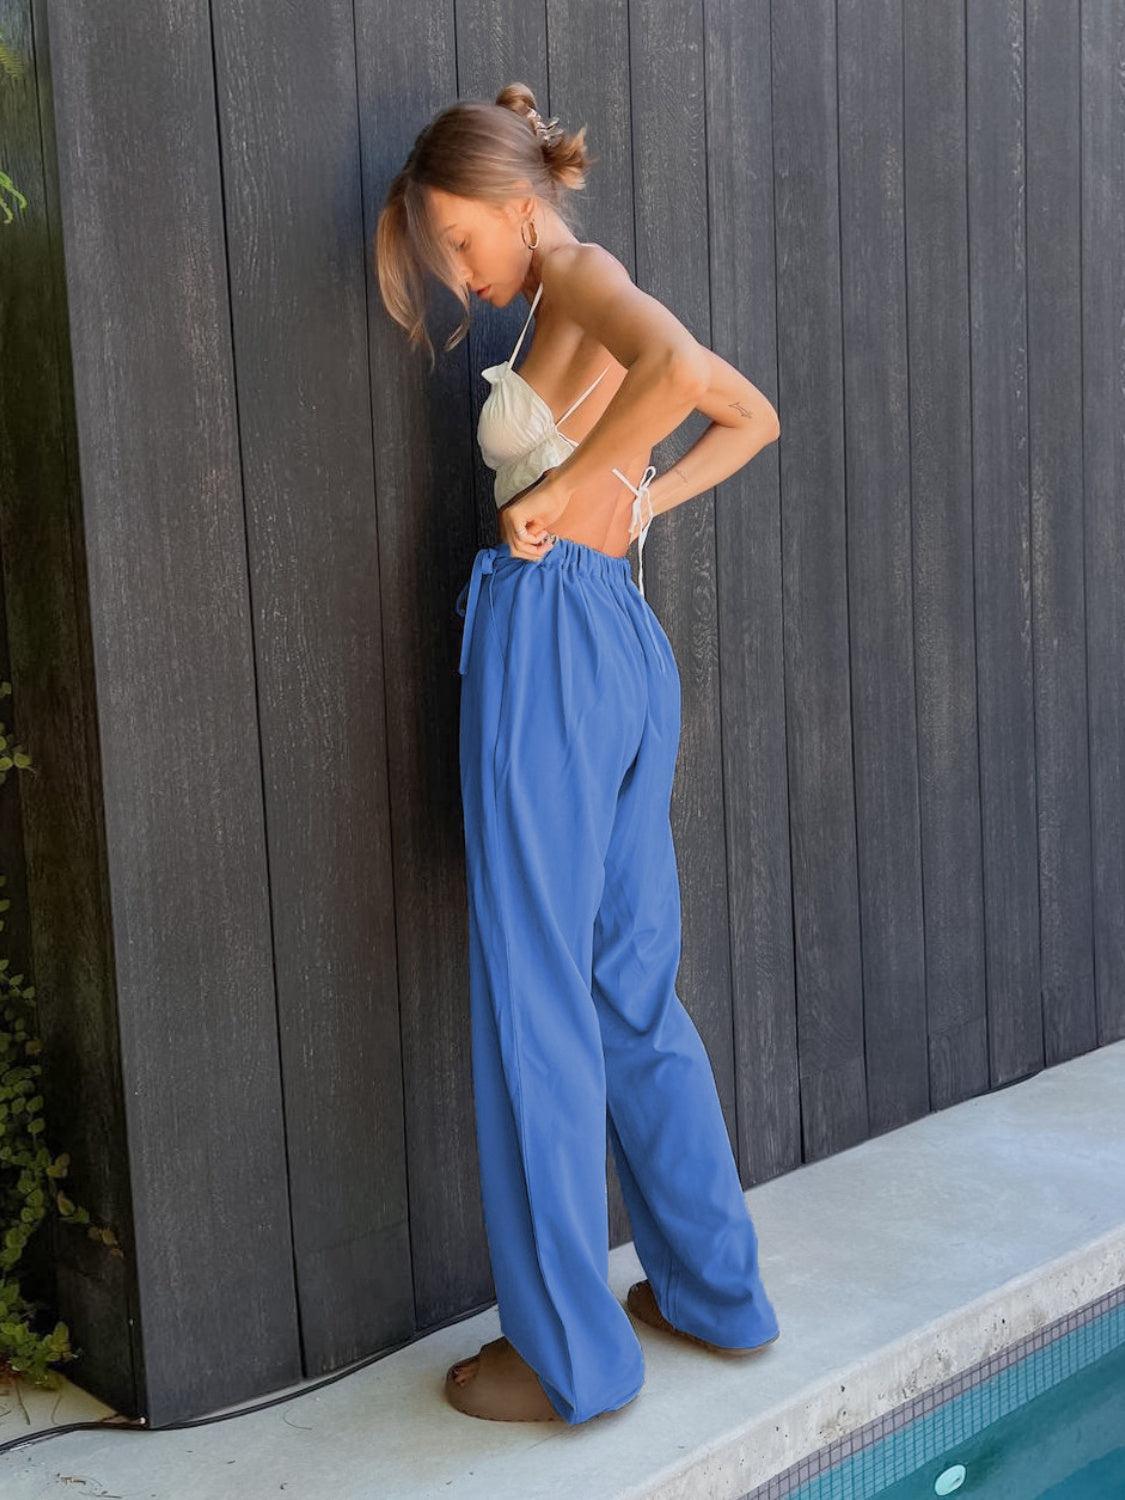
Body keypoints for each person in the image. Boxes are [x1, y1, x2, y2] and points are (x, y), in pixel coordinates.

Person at [375, 82, 783, 1426]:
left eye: (457, 239)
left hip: (548, 644)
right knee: (625, 994)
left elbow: (676, 371)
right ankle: (712, 1291)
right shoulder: (573, 299)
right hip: (617, 641)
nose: (460, 270)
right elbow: (745, 412)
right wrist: (637, 490)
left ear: (511, 199)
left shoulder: (584, 274)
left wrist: (564, 488)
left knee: (534, 1002)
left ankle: (564, 1356)